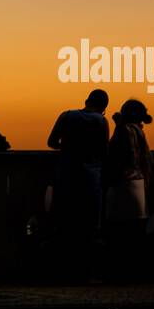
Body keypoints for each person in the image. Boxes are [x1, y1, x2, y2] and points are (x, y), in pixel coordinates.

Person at [47, 89, 110, 242]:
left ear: (86, 101)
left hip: (66, 174)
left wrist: (69, 147)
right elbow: (104, 151)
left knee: (64, 220)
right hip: (91, 177)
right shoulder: (101, 122)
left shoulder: (67, 115)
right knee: (89, 223)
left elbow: (51, 142)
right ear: (104, 107)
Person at [105, 99, 154, 251]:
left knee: (121, 229)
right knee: (136, 228)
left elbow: (115, 154)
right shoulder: (139, 130)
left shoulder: (124, 129)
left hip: (124, 183)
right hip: (138, 181)